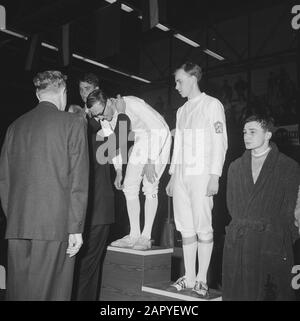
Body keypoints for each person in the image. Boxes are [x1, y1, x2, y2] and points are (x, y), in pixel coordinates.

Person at [0, 71, 89, 300]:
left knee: (19, 293)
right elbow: (78, 179)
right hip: (54, 226)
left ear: (38, 93)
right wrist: (76, 227)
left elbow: (4, 180)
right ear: (63, 93)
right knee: (52, 294)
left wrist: (15, 217)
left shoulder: (15, 127)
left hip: (18, 226)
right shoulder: (73, 123)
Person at [166, 62, 228, 298]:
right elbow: (178, 145)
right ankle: (189, 277)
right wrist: (172, 175)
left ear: (193, 78)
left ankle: (202, 279)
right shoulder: (181, 111)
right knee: (185, 227)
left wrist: (215, 176)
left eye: (179, 81)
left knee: (203, 227)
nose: (176, 86)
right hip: (182, 175)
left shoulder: (212, 105)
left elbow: (220, 142)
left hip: (202, 174)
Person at [222, 114, 300, 301]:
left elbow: (289, 208)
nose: (246, 136)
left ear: (267, 135)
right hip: (239, 242)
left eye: (252, 132)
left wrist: (280, 238)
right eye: (244, 132)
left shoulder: (288, 166)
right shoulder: (235, 167)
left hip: (271, 242)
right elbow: (231, 204)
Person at [71, 75, 131, 301]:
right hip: (93, 208)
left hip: (88, 208)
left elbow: (116, 150)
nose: (83, 92)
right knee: (87, 269)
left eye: (87, 88)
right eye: (80, 89)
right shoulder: (86, 122)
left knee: (83, 267)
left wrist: (118, 170)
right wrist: (123, 115)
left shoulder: (94, 121)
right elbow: (119, 145)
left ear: (98, 90)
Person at [87, 92, 171, 251]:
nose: (101, 118)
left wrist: (151, 160)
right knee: (129, 186)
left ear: (110, 102)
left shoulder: (131, 103)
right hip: (141, 139)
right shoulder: (104, 118)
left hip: (159, 136)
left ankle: (146, 236)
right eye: (97, 116)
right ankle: (134, 234)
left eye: (102, 113)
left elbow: (160, 129)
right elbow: (114, 143)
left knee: (150, 186)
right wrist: (118, 170)